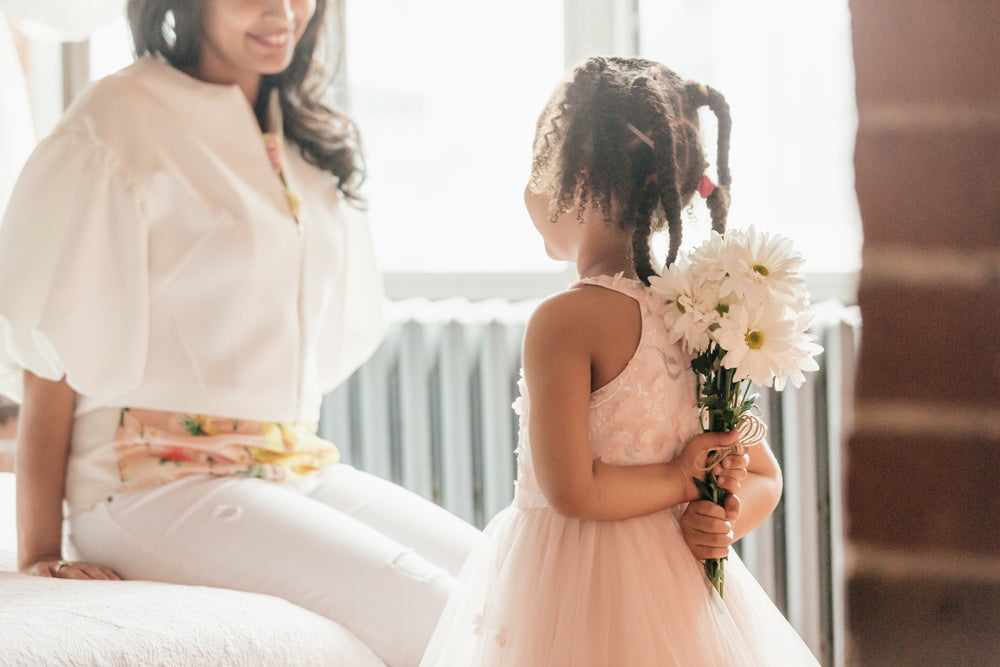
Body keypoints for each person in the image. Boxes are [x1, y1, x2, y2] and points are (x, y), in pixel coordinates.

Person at [0, 1, 481, 665]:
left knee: (502, 577)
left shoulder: (305, 132)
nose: (282, 10)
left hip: (287, 461)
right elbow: (48, 359)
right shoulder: (119, 118)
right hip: (144, 482)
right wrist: (40, 552)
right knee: (433, 606)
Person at [420, 56, 820, 666]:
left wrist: (692, 483)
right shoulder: (697, 310)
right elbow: (765, 475)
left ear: (574, 176)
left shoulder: (564, 321)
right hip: (677, 600)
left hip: (575, 595)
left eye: (536, 164)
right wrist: (723, 522)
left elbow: (571, 491)